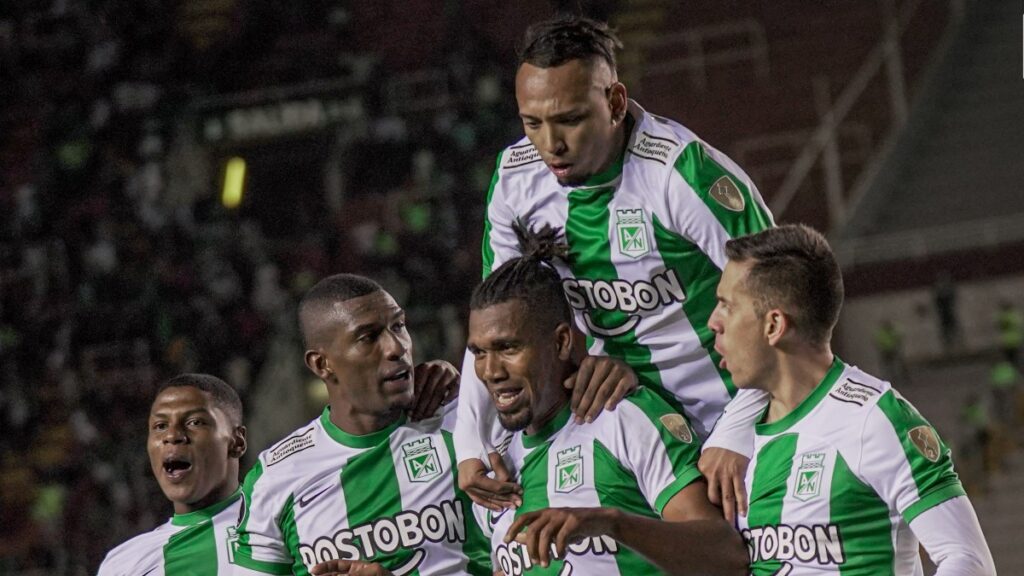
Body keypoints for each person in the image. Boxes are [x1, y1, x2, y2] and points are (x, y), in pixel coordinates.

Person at [456, 14, 773, 522]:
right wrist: (470, 441)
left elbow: (783, 303)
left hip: (731, 424)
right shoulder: (516, 182)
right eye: (532, 122)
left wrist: (738, 428)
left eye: (570, 119)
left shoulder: (681, 175)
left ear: (616, 103)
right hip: (619, 421)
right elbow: (497, 324)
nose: (550, 144)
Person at [708, 225, 995, 575]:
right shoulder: (734, 442)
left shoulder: (875, 419)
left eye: (726, 306)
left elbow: (968, 560)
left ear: (774, 326)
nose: (713, 322)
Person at [466, 226, 748, 576]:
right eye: (478, 352)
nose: (490, 371)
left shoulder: (622, 418)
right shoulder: (493, 471)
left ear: (561, 342)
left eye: (508, 348)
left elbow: (727, 558)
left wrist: (611, 523)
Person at [232, 274, 490, 576]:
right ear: (321, 364)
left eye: (399, 326)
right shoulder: (273, 479)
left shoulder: (463, 423)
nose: (396, 348)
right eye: (368, 337)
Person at [97, 373, 248, 575]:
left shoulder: (281, 523)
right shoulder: (124, 564)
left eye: (195, 422)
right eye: (160, 426)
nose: (171, 435)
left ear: (236, 442)